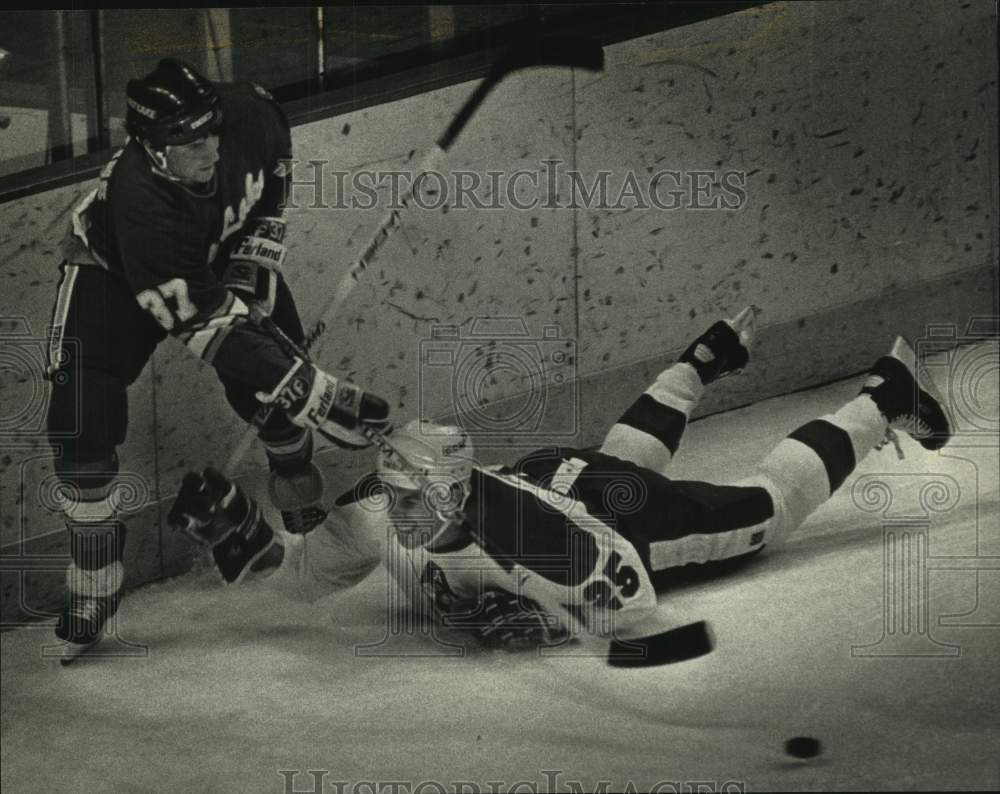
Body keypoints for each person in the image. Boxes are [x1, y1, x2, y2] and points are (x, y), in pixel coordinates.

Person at [168, 307, 952, 651]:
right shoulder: (381, 512)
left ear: (449, 493)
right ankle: (704, 357)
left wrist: (554, 625)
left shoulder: (547, 543)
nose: (397, 511)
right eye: (394, 493)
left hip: (614, 517)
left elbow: (636, 599)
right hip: (556, 477)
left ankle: (887, 397)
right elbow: (303, 575)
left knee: (766, 509)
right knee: (616, 462)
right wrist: (243, 538)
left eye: (414, 499)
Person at [45, 58, 389, 663]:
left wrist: (257, 250)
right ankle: (95, 584)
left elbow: (275, 168)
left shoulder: (249, 113)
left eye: (213, 132)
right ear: (153, 151)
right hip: (117, 278)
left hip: (219, 256)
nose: (211, 149)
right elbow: (206, 327)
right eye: (191, 142)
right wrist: (313, 391)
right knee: (82, 417)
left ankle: (306, 529)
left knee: (273, 408)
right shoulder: (139, 203)